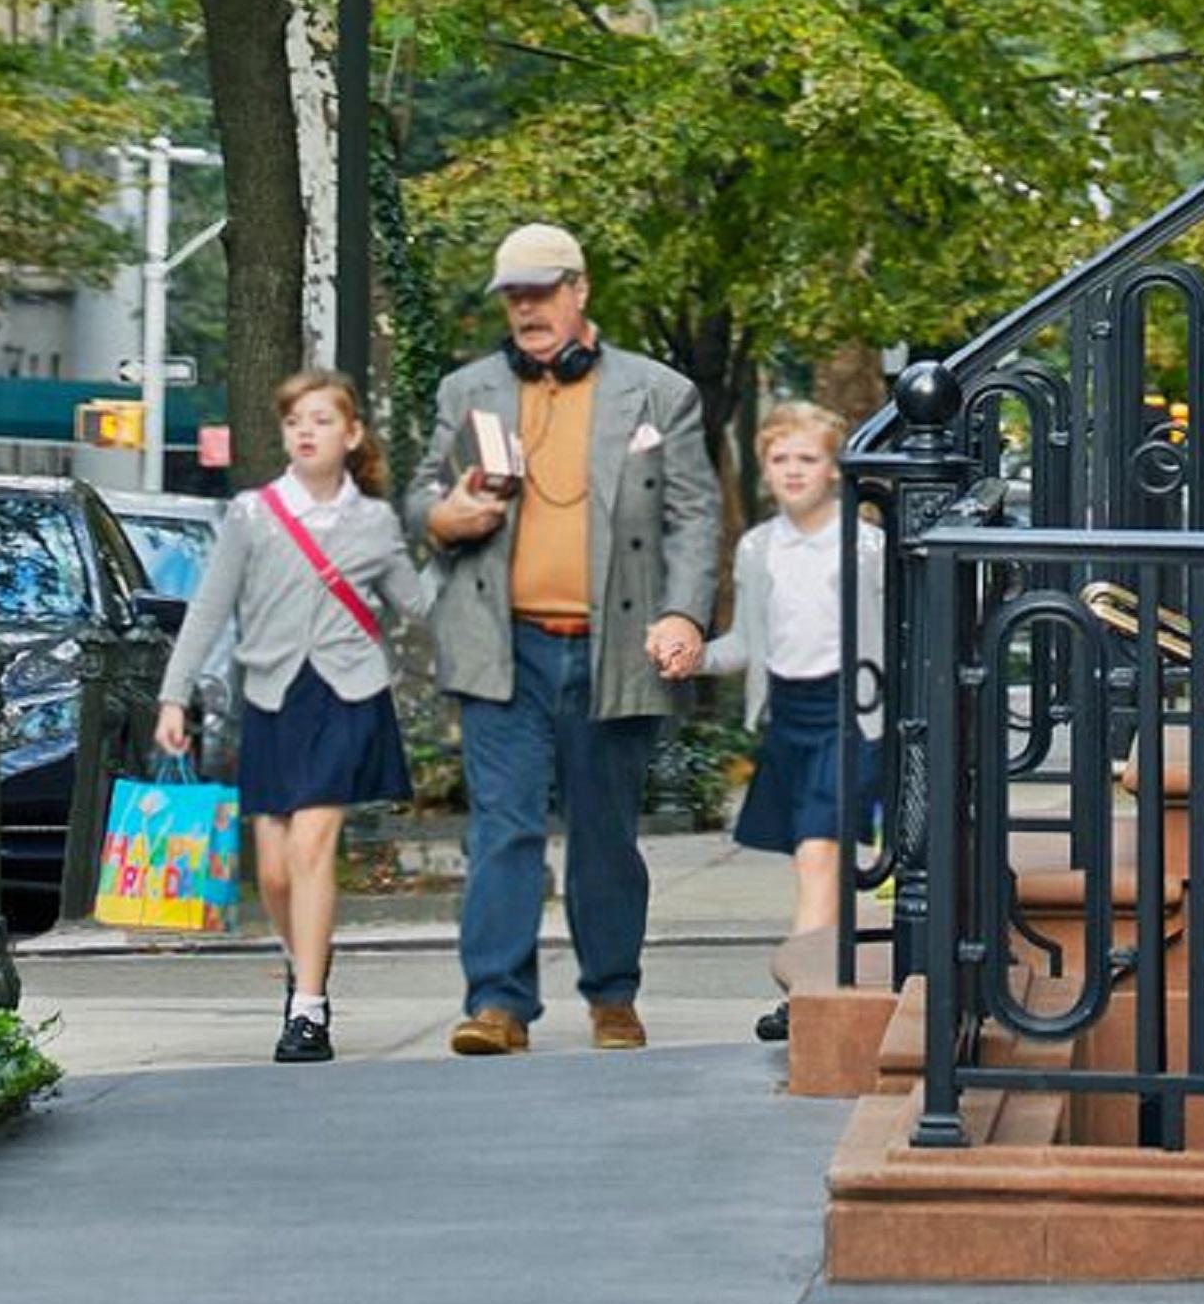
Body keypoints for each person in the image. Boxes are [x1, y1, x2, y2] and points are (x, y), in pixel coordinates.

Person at [404, 220, 719, 1054]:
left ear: (579, 290)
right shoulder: (465, 388)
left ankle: (613, 993)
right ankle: (498, 1004)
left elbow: (694, 518)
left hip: (614, 644)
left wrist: (686, 613)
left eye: (541, 291)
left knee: (604, 831)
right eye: (513, 295)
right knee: (501, 825)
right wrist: (444, 514)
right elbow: (420, 497)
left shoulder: (658, 392)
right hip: (501, 643)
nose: (527, 309)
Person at [153, 364, 418, 1067]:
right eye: (296, 420)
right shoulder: (252, 512)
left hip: (347, 693)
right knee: (272, 870)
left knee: (310, 847)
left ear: (352, 433)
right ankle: (304, 955)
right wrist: (173, 695)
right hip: (272, 695)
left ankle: (307, 1007)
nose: (306, 430)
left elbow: (415, 600)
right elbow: (210, 607)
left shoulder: (375, 520)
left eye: (322, 419)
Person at [705, 398, 886, 1050]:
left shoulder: (866, 546)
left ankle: (802, 995)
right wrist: (692, 654)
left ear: (835, 467)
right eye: (779, 458)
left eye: (807, 457)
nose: (792, 470)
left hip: (852, 710)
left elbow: (893, 632)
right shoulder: (758, 547)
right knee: (815, 861)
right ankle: (824, 980)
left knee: (819, 854)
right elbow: (746, 642)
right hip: (789, 712)